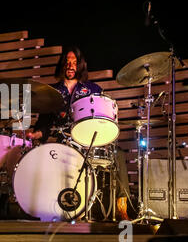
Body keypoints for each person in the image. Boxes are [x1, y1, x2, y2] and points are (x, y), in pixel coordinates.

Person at [27, 46, 131, 220]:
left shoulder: (92, 89)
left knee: (118, 154)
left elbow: (101, 115)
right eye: (67, 62)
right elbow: (44, 123)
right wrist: (37, 134)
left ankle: (122, 208)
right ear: (62, 64)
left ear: (80, 65)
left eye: (74, 62)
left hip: (88, 140)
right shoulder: (51, 92)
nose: (70, 65)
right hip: (64, 142)